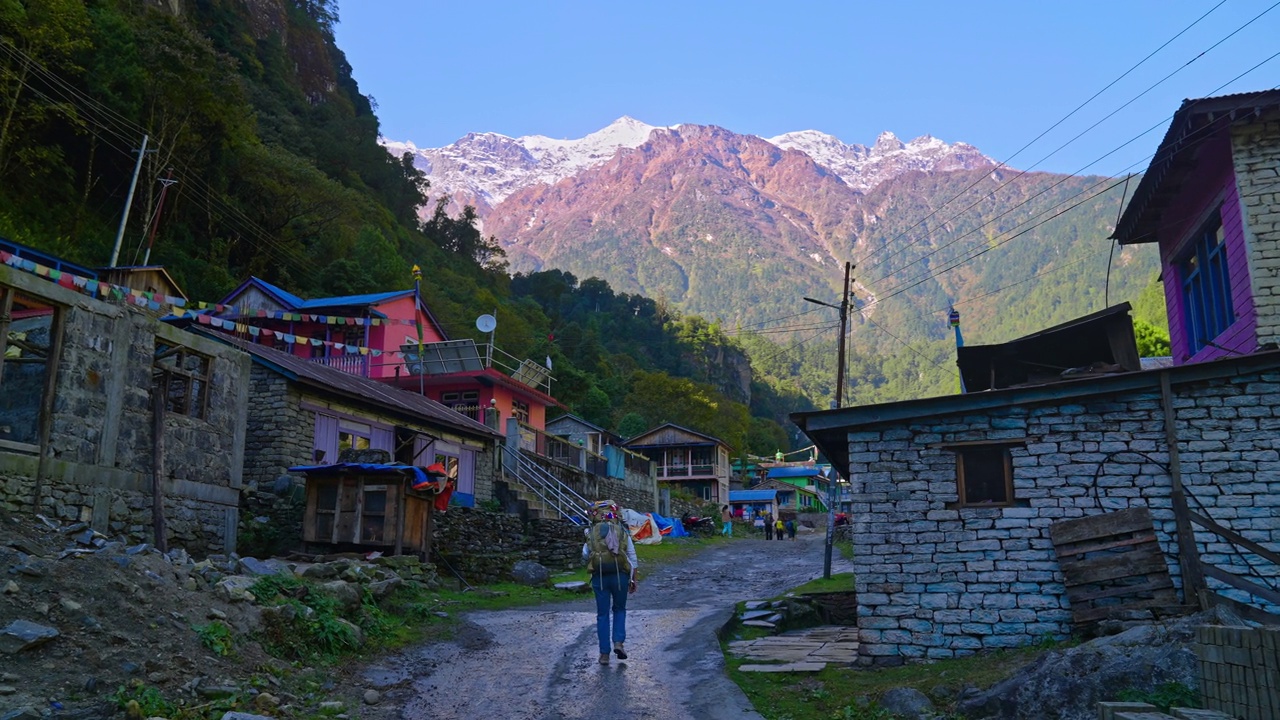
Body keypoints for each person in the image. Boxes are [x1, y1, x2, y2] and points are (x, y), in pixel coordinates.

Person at [583, 500, 638, 665]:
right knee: (620, 609)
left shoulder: (591, 532)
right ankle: (619, 643)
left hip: (600, 576)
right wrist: (633, 579)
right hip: (620, 576)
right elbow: (632, 557)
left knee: (602, 614)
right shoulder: (622, 531)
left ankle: (604, 654)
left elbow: (585, 554)